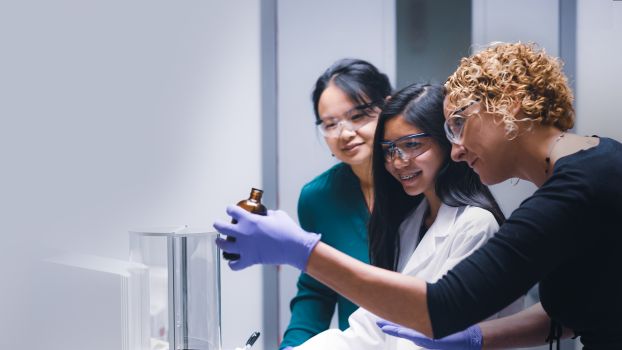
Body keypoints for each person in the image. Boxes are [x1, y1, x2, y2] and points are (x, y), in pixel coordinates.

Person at [214, 42, 622, 349]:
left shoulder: (575, 191)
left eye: (459, 125)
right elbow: (576, 310)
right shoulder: (596, 161)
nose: (457, 150)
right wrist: (478, 338)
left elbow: (442, 306)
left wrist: (301, 251)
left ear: (509, 106)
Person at [291, 83, 522, 350]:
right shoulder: (409, 223)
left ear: (447, 141)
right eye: (389, 149)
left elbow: (435, 337)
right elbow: (373, 327)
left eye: (412, 145)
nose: (398, 161)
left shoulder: (477, 226)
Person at [279, 58, 391, 349]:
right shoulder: (318, 198)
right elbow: (316, 291)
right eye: (331, 124)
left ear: (389, 109)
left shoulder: (417, 183)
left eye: (359, 116)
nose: (345, 133)